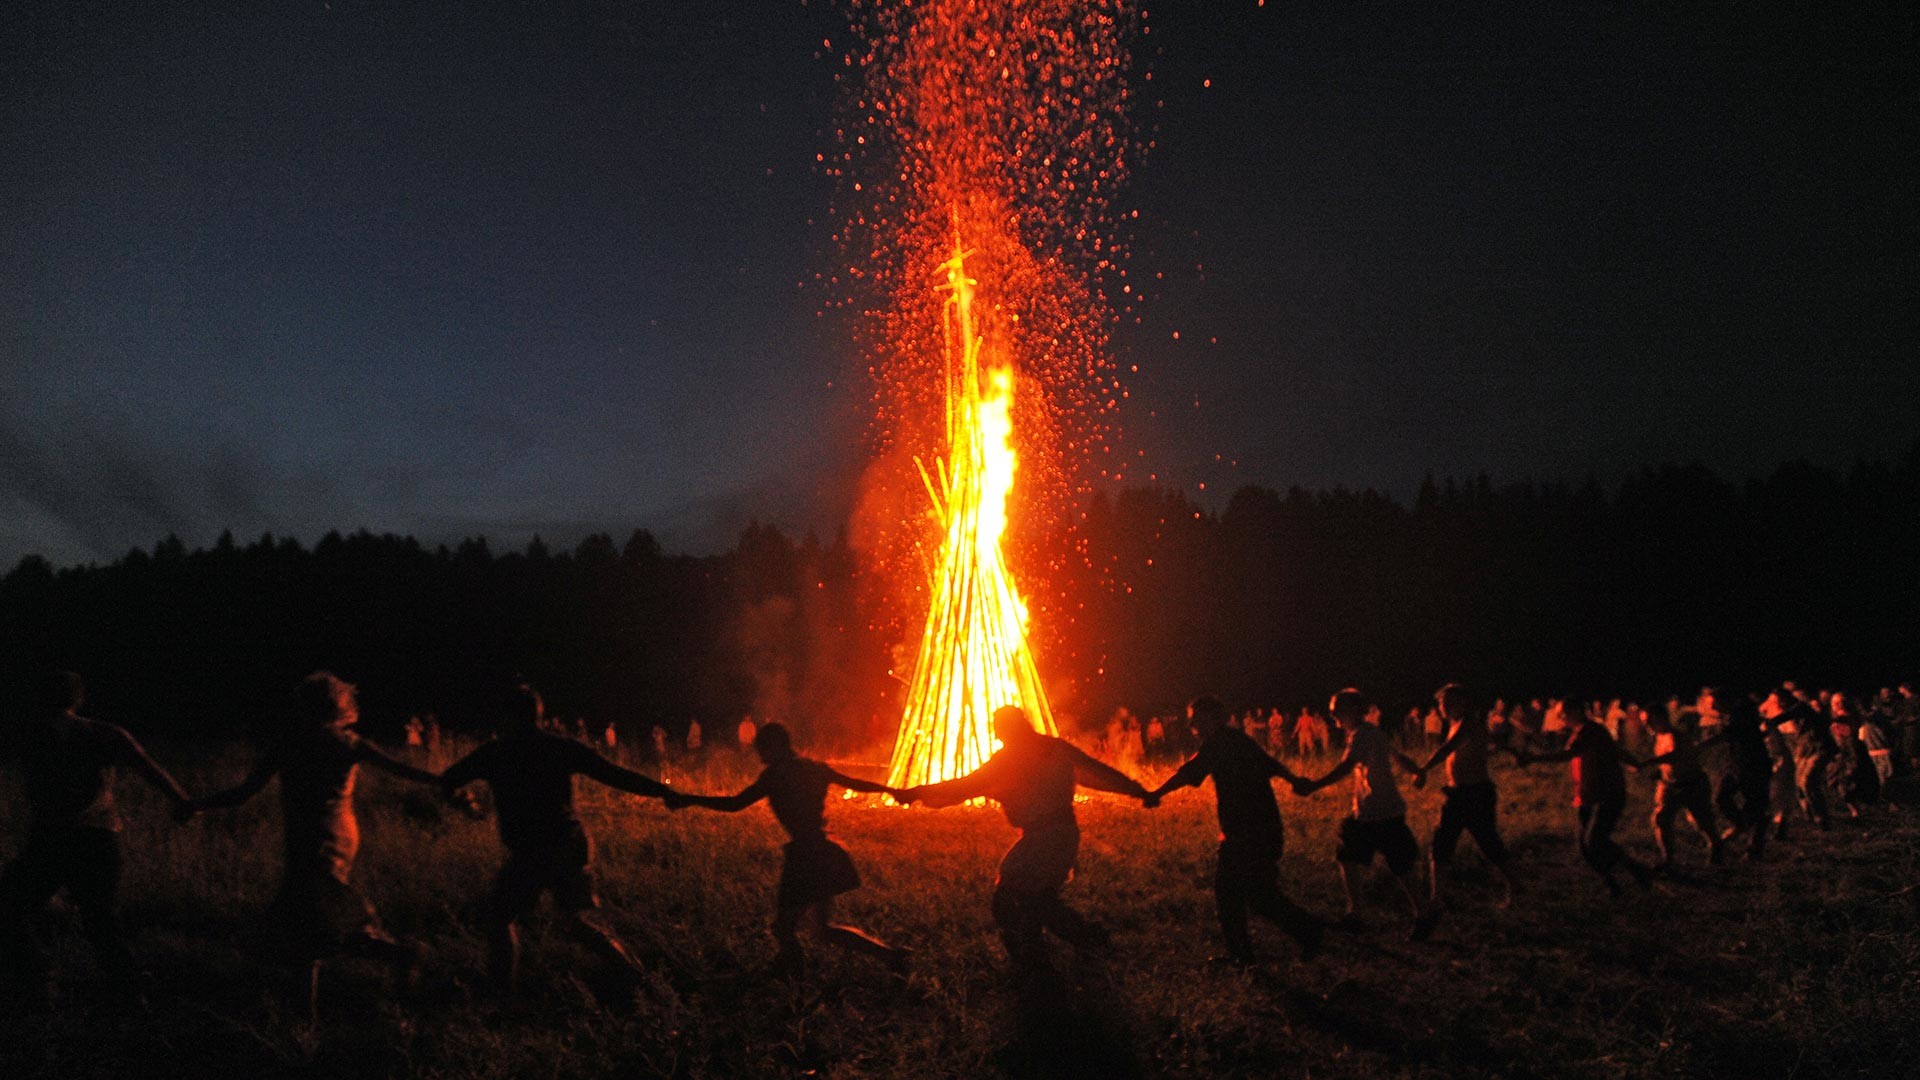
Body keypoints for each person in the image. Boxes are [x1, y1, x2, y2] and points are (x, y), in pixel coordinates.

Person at [186, 672, 437, 979]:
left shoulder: (287, 744)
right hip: (340, 835)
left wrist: (197, 805)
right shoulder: (348, 743)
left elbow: (244, 792)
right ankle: (393, 957)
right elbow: (404, 771)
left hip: (309, 836)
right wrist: (449, 783)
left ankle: (400, 954)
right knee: (315, 920)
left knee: (313, 921)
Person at [440, 683, 675, 993]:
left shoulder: (495, 753)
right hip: (568, 844)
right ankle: (636, 978)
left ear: (507, 717)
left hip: (537, 851)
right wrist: (663, 791)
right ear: (538, 716)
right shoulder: (559, 747)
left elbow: (448, 781)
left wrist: (465, 803)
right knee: (573, 922)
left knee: (499, 917)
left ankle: (500, 996)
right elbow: (614, 774)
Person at [900, 705, 1152, 972]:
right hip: (1061, 834)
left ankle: (1056, 947)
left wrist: (917, 792)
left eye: (999, 729)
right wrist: (1136, 790)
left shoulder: (1010, 758)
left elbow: (965, 786)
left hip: (1045, 838)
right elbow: (1098, 773)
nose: (997, 735)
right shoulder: (1053, 748)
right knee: (1037, 899)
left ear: (1009, 728)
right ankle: (1056, 947)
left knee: (1011, 897)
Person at [1, 671, 195, 1007]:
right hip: (97, 838)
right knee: (100, 920)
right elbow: (147, 767)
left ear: (38, 699)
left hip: (50, 839)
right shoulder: (106, 734)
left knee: (11, 904)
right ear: (79, 699)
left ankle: (38, 978)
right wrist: (181, 800)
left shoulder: (30, 736)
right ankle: (130, 994)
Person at [668, 722, 909, 978]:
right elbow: (855, 783)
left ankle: (793, 977)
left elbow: (735, 804)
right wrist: (892, 791)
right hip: (826, 849)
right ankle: (891, 955)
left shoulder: (776, 775)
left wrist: (690, 799)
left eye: (762, 750)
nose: (760, 757)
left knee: (784, 928)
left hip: (806, 856)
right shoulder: (814, 768)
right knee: (822, 930)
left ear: (774, 747)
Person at [1145, 696, 1324, 965]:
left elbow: (1190, 772)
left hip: (1247, 832)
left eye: (1196, 717)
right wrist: (1293, 780)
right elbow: (1270, 764)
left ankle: (1282, 940)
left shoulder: (1219, 744)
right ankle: (1296, 935)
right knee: (1255, 894)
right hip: (1260, 828)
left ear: (1213, 718)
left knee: (1233, 892)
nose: (1192, 723)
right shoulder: (1237, 740)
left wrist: (1156, 793)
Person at [1293, 689, 1440, 940]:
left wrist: (1314, 786)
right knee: (1348, 854)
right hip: (1368, 812)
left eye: (1336, 709)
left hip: (1381, 812)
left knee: (1400, 866)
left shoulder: (1363, 735)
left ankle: (1421, 915)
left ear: (1351, 710)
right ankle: (1358, 915)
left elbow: (1348, 766)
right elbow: (1396, 755)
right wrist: (1416, 770)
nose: (1332, 715)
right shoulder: (1369, 733)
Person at [1514, 705, 1653, 896]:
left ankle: (1636, 869)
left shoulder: (1590, 730)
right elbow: (1614, 750)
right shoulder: (1583, 731)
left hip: (1606, 793)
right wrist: (1632, 762)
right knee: (1586, 847)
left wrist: (1534, 759)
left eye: (1563, 713)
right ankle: (1614, 884)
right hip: (1587, 794)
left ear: (1576, 711)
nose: (1561, 717)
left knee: (1593, 841)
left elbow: (1569, 754)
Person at [1412, 683, 1516, 909]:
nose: (1443, 707)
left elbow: (1448, 748)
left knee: (1487, 844)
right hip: (1461, 793)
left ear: (1463, 703)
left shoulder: (1467, 724)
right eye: (1441, 703)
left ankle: (1515, 887)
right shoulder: (1459, 724)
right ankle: (1436, 899)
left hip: (1474, 793)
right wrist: (1513, 752)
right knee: (1443, 844)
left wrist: (1423, 770)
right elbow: (1491, 742)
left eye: (1449, 702)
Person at [1635, 709, 1724, 869]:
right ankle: (1667, 859)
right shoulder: (1659, 737)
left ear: (1660, 718)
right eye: (1644, 721)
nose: (1646, 724)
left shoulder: (1675, 736)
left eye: (1648, 720)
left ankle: (1716, 845)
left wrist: (1651, 762)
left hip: (1691, 783)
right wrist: (1659, 772)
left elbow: (1676, 755)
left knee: (1700, 820)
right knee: (1661, 819)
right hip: (1670, 785)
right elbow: (1669, 762)